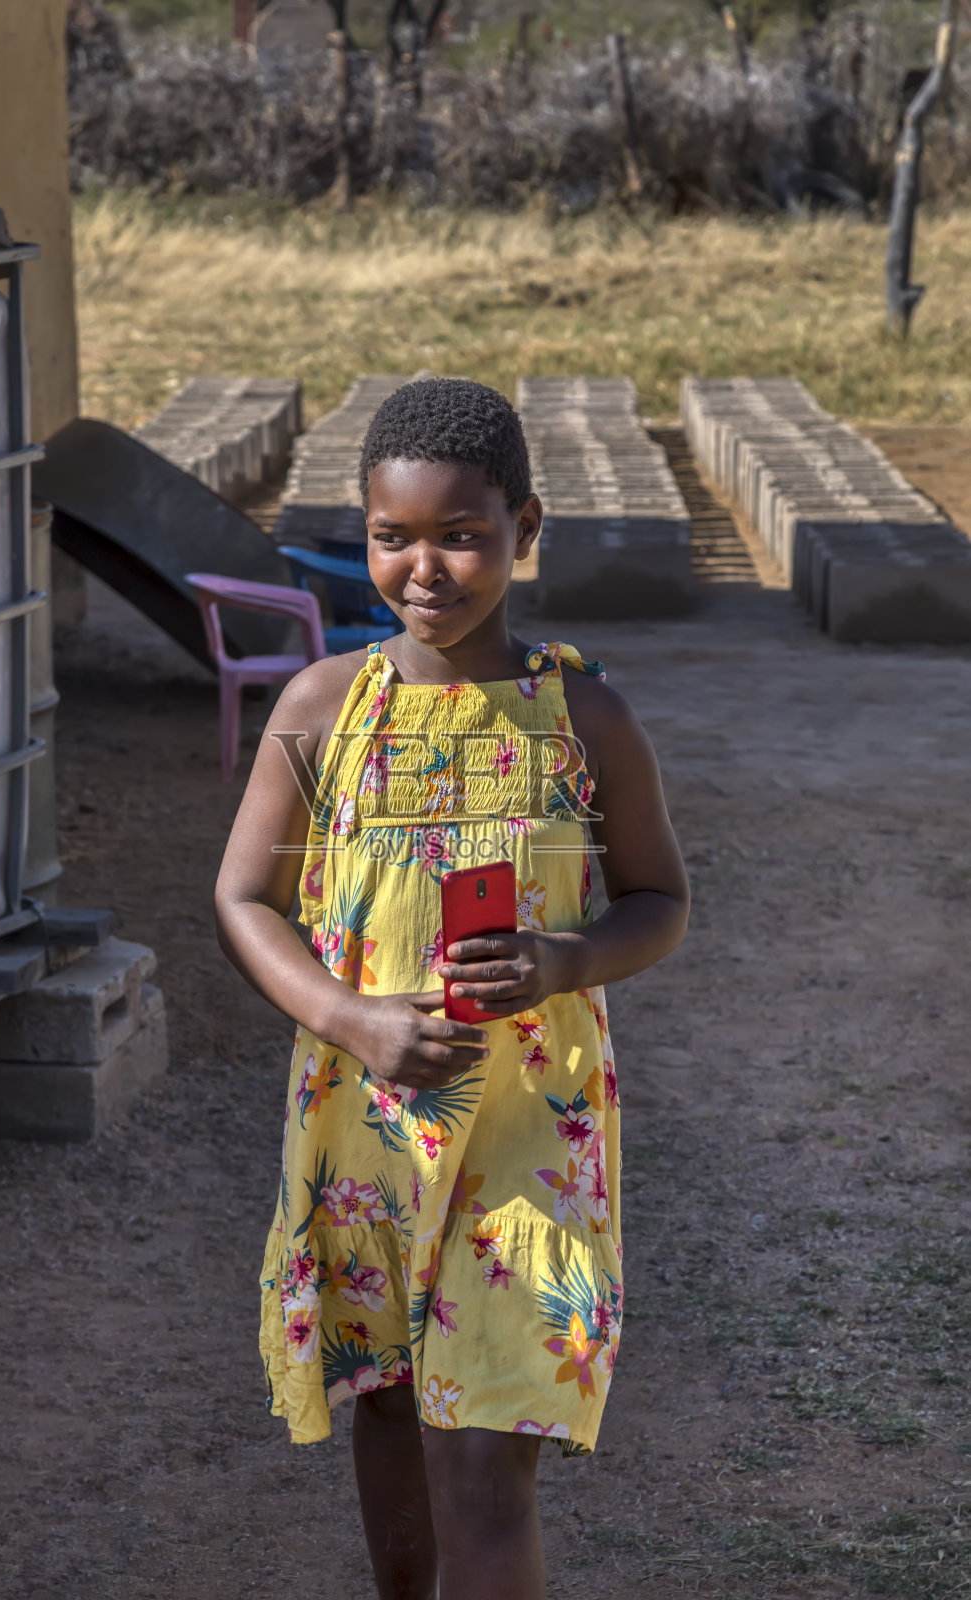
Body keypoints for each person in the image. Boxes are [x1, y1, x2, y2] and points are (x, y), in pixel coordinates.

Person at [215, 377, 690, 1600]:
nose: (425, 566)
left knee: (483, 1462)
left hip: (530, 1137)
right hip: (366, 1131)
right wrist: (348, 1016)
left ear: (524, 531)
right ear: (362, 534)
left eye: (463, 534)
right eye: (393, 536)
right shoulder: (323, 714)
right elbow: (246, 899)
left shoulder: (583, 720)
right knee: (390, 1419)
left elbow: (659, 900)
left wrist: (564, 960)